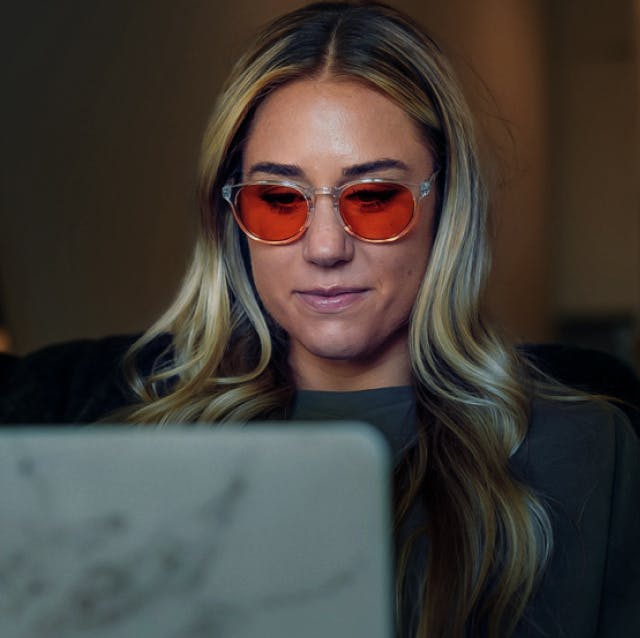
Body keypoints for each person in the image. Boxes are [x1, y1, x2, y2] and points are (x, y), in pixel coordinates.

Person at [0, 2, 638, 636]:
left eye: (374, 197)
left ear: (447, 208)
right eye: (279, 200)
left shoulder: (588, 454)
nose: (326, 248)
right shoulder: (131, 456)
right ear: (231, 220)